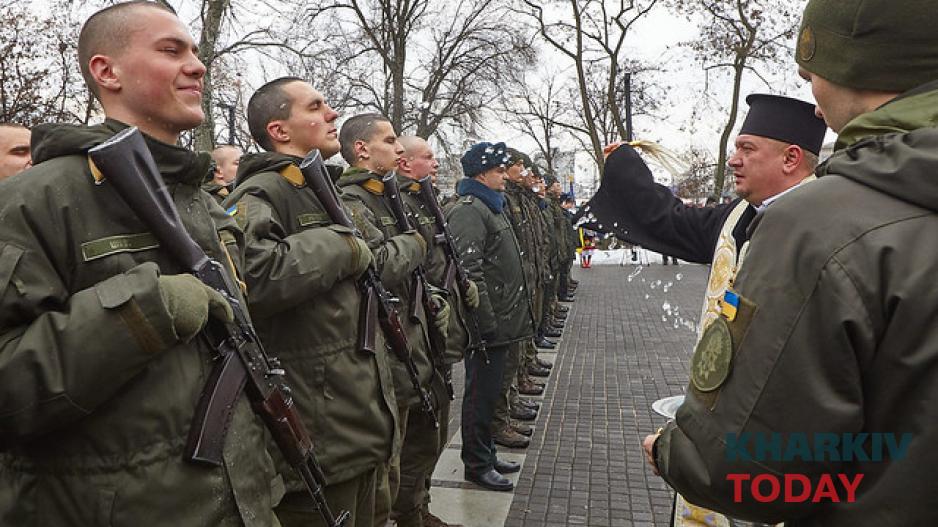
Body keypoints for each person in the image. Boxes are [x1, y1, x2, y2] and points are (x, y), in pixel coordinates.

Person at [644, 0, 938, 525]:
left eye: (813, 76)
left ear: (858, 67)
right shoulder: (755, 216)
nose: (816, 105)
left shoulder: (820, 225)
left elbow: (748, 468)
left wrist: (674, 453)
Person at [0, 2, 280, 525]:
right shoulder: (36, 198)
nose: (197, 65)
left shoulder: (199, 199)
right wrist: (144, 312)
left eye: (196, 51)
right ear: (107, 72)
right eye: (171, 51)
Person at [222, 77, 399, 527]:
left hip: (355, 418)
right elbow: (252, 279)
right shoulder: (261, 193)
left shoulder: (319, 187)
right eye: (316, 107)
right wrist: (339, 246)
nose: (332, 114)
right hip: (319, 424)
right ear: (279, 130)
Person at [336, 113, 442, 525]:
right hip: (387, 346)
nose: (400, 150)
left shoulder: (387, 195)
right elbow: (376, 264)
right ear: (362, 149)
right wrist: (414, 242)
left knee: (421, 439)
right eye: (390, 140)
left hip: (414, 338)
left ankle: (415, 511)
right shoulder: (353, 201)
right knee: (389, 463)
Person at [394, 135, 475, 527]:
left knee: (436, 428)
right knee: (417, 437)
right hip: (415, 335)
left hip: (436, 332)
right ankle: (410, 512)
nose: (437, 163)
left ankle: (420, 506)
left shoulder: (426, 202)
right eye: (428, 157)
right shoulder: (400, 204)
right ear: (405, 164)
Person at [446, 141, 535, 492]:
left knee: (492, 392)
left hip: (502, 321)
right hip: (488, 325)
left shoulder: (491, 206)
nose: (504, 176)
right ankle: (477, 463)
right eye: (499, 171)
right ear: (482, 174)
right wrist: (485, 324)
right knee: (479, 397)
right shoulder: (470, 210)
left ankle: (486, 451)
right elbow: (470, 272)